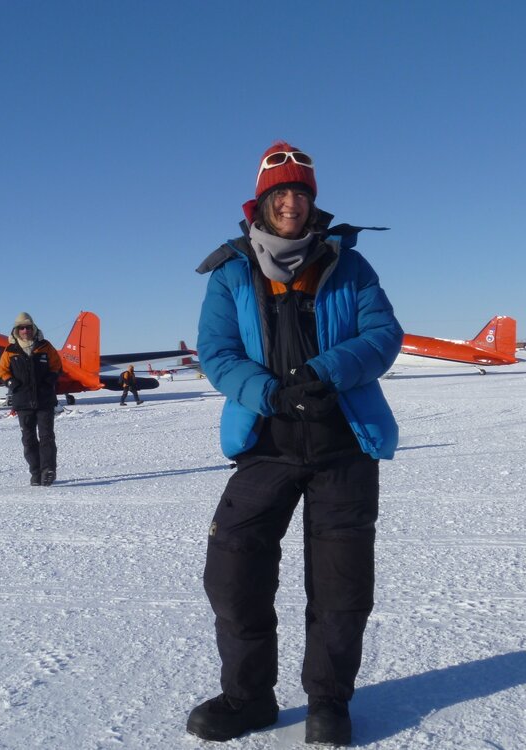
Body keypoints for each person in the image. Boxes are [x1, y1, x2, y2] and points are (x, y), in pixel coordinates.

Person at [187, 141, 403, 745]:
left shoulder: (348, 265)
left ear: (312, 201)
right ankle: (249, 698)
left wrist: (324, 373)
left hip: (343, 445)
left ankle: (328, 704)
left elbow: (384, 334)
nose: (291, 204)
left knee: (340, 584)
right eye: (280, 193)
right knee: (233, 572)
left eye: (300, 193)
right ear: (261, 202)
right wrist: (271, 393)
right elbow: (217, 352)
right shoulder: (232, 271)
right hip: (266, 442)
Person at [0, 312, 63, 487]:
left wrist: (50, 380)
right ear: (16, 330)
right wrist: (11, 383)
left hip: (44, 400)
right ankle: (36, 472)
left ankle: (48, 471)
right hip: (23, 402)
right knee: (28, 439)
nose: (25, 330)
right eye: (21, 328)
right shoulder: (10, 351)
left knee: (47, 437)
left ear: (33, 328)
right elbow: (2, 370)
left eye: (28, 327)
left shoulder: (45, 346)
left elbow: (57, 365)